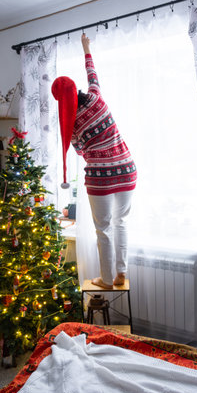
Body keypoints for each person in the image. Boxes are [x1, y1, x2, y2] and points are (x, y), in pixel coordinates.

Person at [52, 33, 137, 289]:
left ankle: (108, 280)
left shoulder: (72, 125)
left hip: (101, 178)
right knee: (121, 223)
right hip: (127, 169)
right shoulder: (96, 97)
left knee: (104, 229)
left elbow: (80, 151)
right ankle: (121, 273)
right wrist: (86, 47)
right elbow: (92, 73)